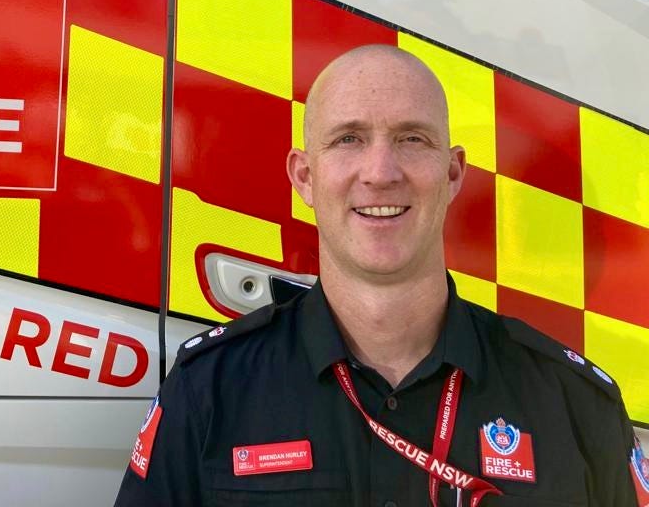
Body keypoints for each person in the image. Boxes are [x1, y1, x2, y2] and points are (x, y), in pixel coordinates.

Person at [114, 44, 646, 506]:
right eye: (348, 139)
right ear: (305, 177)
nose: (381, 173)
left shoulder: (572, 402)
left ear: (452, 173)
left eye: (412, 139)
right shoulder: (210, 389)